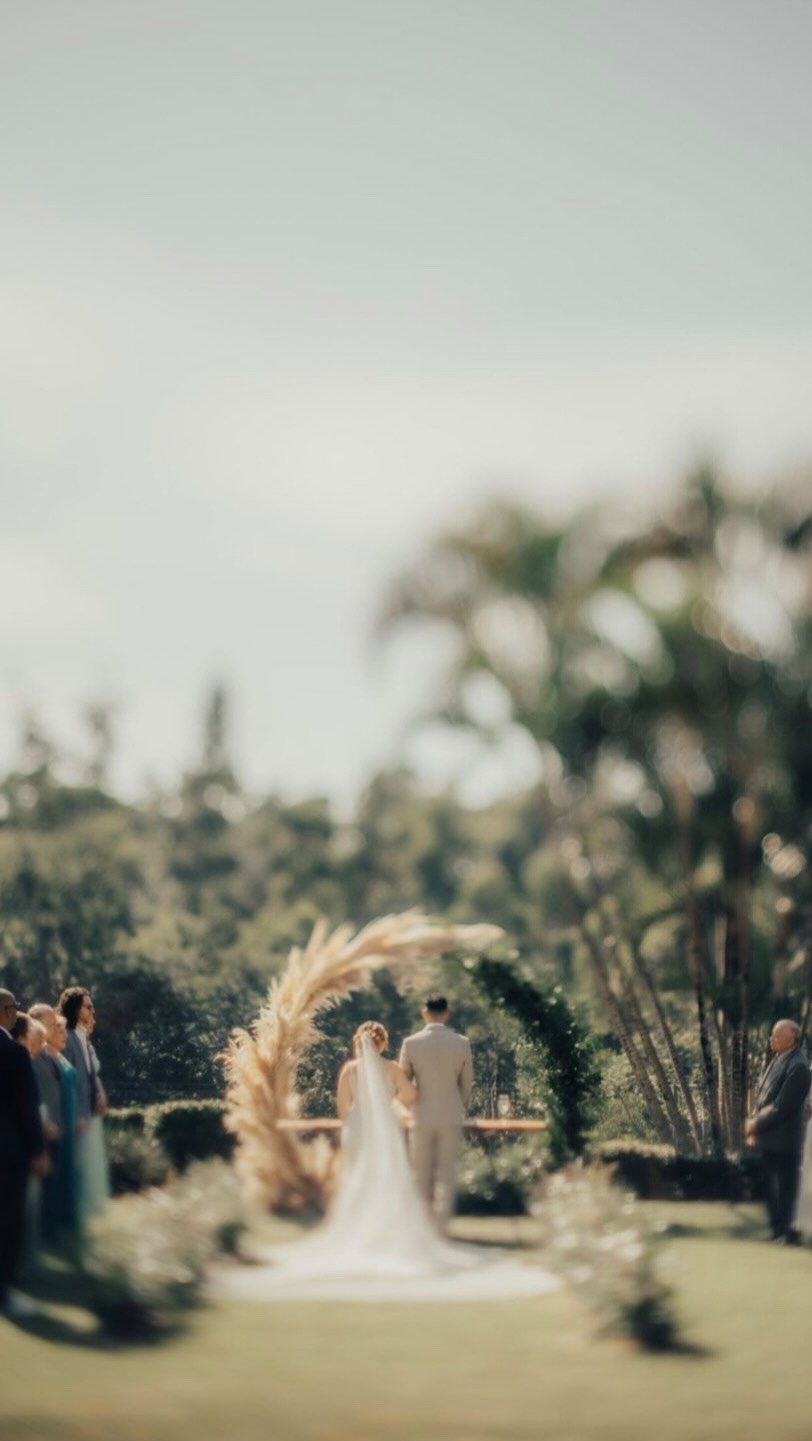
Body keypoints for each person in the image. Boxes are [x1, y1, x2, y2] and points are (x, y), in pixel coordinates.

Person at [214, 1018, 557, 1302]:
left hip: (357, 1127)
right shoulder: (393, 1068)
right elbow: (410, 1097)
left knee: (358, 1177)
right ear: (382, 1043)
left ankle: (356, 1231)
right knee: (388, 1176)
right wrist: (397, 1105)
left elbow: (343, 1107)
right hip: (387, 1130)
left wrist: (360, 1116)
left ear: (358, 1041)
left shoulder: (349, 1070)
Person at [399, 995, 473, 1228]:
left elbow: (403, 1083)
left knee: (420, 1171)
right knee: (446, 1172)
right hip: (451, 1113)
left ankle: (421, 1226)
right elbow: (467, 1083)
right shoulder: (461, 1043)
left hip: (421, 1115)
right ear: (447, 1013)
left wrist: (411, 1106)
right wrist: (457, 1105)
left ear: (425, 1013)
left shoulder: (411, 1043)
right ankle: (441, 1227)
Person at [0, 990, 47, 1320]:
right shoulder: (13, 1054)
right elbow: (27, 1109)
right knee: (8, 1222)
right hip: (8, 1153)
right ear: (6, 1012)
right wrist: (38, 1151)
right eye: (14, 1008)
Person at [745, 1019, 811, 1244]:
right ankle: (777, 1232)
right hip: (769, 1137)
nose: (771, 1039)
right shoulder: (777, 1060)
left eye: (776, 1035)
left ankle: (789, 1235)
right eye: (772, 1035)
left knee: (786, 1189)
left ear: (791, 1038)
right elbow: (763, 1098)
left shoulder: (799, 1066)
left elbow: (783, 1106)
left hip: (785, 1141)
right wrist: (755, 1125)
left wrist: (756, 1124)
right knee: (769, 1188)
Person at [29, 1004, 80, 1248]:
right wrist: (43, 1122)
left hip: (60, 1125)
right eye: (51, 1024)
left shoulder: (49, 1055)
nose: (56, 1028)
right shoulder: (32, 1057)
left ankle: (56, 1232)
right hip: (45, 1128)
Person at [58, 987, 108, 1221]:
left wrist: (98, 1093)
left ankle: (91, 1211)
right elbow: (67, 1079)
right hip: (76, 1113)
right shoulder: (66, 1036)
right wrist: (76, 1112)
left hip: (89, 1111)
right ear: (76, 1009)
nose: (92, 1010)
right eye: (88, 1006)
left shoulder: (83, 1036)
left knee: (90, 1164)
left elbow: (89, 1075)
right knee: (77, 1164)